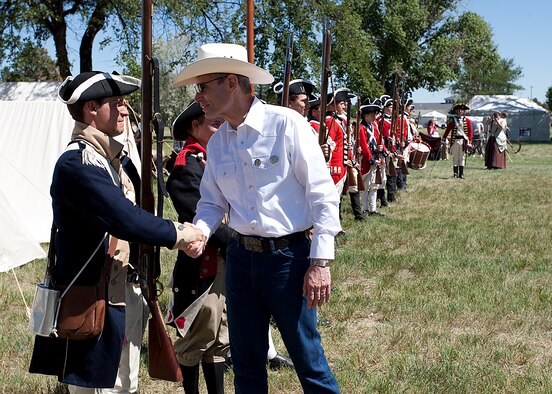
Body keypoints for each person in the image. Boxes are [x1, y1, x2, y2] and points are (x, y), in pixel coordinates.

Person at [173, 43, 341, 393]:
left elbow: (322, 194)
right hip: (239, 259)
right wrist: (200, 232)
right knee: (247, 367)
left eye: (203, 86)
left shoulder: (287, 125)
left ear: (230, 82)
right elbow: (211, 202)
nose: (198, 97)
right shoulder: (220, 143)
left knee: (309, 361)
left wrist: (320, 261)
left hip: (288, 260)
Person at [28, 71, 197, 392]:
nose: (124, 110)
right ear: (92, 108)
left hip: (127, 287)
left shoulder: (117, 159)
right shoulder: (75, 164)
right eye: (117, 103)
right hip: (93, 294)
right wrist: (184, 234)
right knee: (96, 387)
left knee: (125, 384)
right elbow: (126, 219)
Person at [166, 101, 230, 393]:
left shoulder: (218, 160)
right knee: (194, 341)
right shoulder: (186, 166)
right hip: (202, 266)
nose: (221, 130)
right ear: (195, 126)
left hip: (226, 263)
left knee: (219, 340)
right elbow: (200, 218)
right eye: (215, 125)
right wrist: (240, 242)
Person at [358, 99, 386, 216]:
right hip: (367, 160)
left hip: (376, 157)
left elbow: (379, 140)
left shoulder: (373, 126)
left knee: (374, 185)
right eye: (372, 115)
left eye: (375, 114)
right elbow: (364, 146)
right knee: (365, 186)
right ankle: (365, 209)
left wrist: (382, 149)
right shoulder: (361, 128)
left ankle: (373, 209)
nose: (374, 117)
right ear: (365, 115)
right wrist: (371, 159)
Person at [442, 102, 473, 179]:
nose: (460, 111)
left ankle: (461, 174)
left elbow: (470, 132)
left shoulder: (468, 121)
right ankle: (455, 173)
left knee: (462, 157)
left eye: (461, 110)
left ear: (463, 111)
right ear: (457, 111)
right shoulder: (453, 120)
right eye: (459, 110)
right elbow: (448, 129)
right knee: (455, 157)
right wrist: (444, 137)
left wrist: (470, 141)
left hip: (463, 141)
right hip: (455, 140)